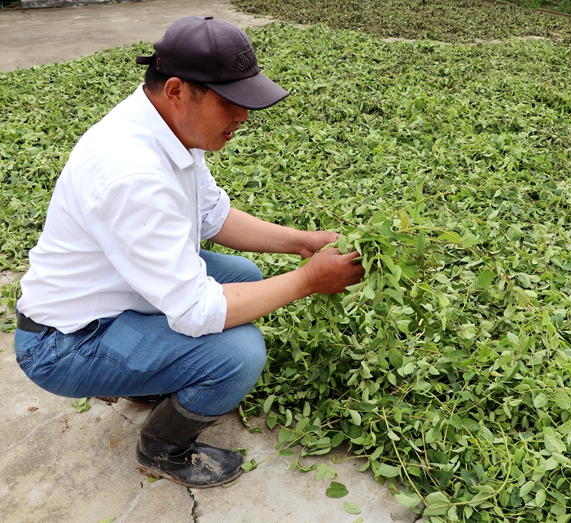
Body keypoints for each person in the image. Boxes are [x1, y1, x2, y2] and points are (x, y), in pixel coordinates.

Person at [13, 16, 365, 489]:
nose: (244, 117)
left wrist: (302, 242)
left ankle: (150, 382)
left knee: (241, 273)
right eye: (232, 102)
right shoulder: (133, 173)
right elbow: (197, 312)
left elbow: (213, 216)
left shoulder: (167, 125)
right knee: (238, 354)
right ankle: (162, 448)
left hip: (118, 296)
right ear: (177, 90)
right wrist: (308, 280)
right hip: (65, 342)